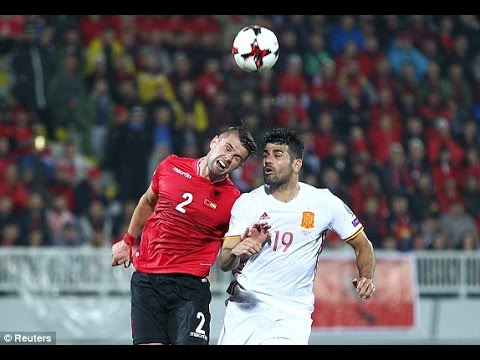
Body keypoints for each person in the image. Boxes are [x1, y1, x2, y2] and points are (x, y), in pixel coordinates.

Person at [217, 127, 376, 345]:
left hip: (291, 314)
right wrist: (236, 251)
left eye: (277, 155)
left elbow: (363, 244)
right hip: (246, 308)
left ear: (296, 164)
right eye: (265, 155)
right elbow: (225, 262)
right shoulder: (248, 203)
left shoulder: (324, 202)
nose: (268, 161)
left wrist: (366, 275)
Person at [111, 124, 257, 345]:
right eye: (228, 148)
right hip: (147, 280)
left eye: (237, 158)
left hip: (189, 288)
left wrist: (242, 250)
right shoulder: (170, 166)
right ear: (214, 141)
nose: (229, 158)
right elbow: (148, 201)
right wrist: (128, 241)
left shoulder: (234, 201)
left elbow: (230, 253)